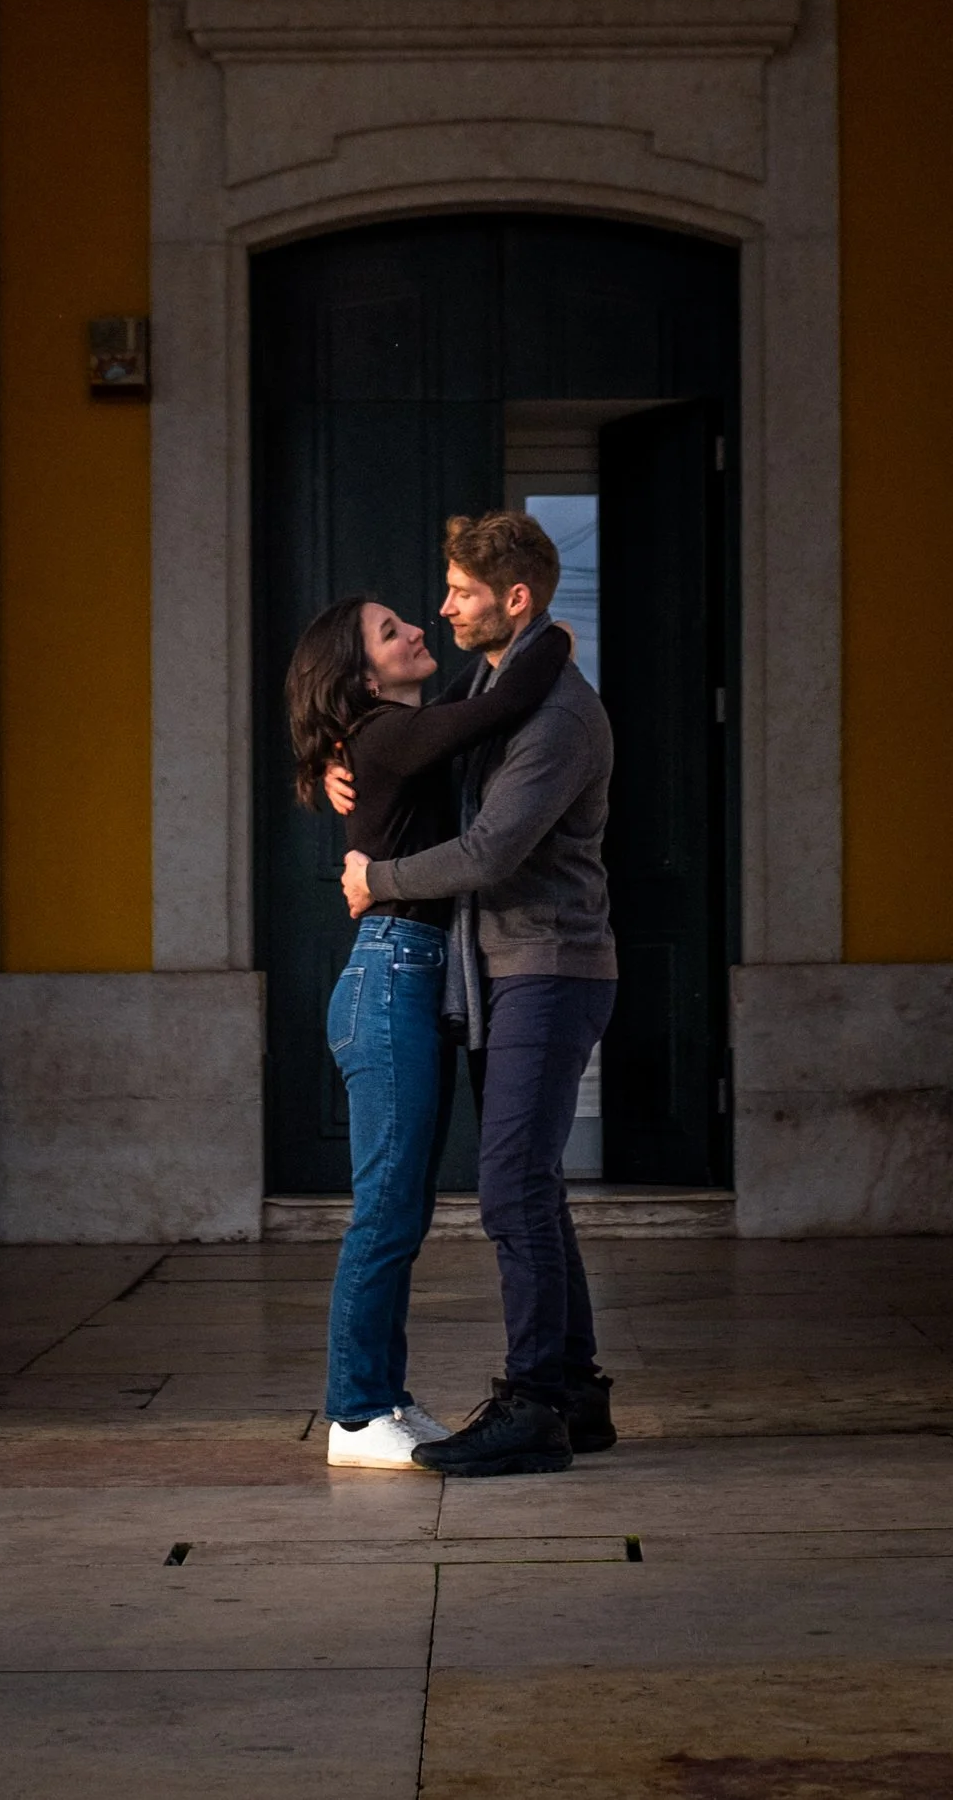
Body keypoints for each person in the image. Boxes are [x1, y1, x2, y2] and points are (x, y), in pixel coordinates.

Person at [338, 508, 616, 1480]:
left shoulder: (559, 715)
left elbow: (493, 849)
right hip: (507, 973)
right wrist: (343, 761)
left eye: (460, 592)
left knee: (507, 1186)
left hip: (549, 967)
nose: (443, 606)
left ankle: (535, 1401)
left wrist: (377, 877)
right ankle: (574, 1393)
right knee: (532, 1182)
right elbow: (415, 740)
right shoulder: (496, 682)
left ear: (515, 600)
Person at [285, 582, 574, 1469]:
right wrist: (550, 633)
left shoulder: (382, 738)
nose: (418, 628)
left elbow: (462, 708)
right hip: (390, 976)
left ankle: (385, 1399)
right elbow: (506, 702)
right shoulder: (384, 735)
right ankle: (355, 1412)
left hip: (406, 975)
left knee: (400, 1207)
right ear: (360, 677)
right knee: (384, 1211)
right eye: (390, 630)